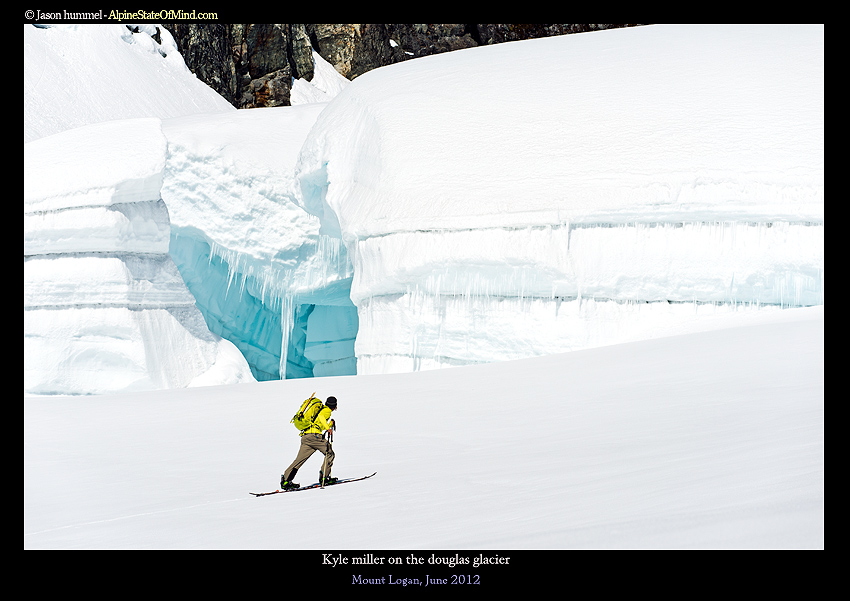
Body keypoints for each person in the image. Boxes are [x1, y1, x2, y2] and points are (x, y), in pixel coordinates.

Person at [281, 396, 338, 489]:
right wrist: (328, 428)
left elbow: (319, 425)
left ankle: (286, 480)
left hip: (306, 437)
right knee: (330, 454)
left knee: (299, 460)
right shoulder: (327, 411)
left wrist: (329, 425)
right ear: (334, 406)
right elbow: (321, 417)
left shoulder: (321, 410)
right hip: (314, 437)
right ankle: (325, 478)